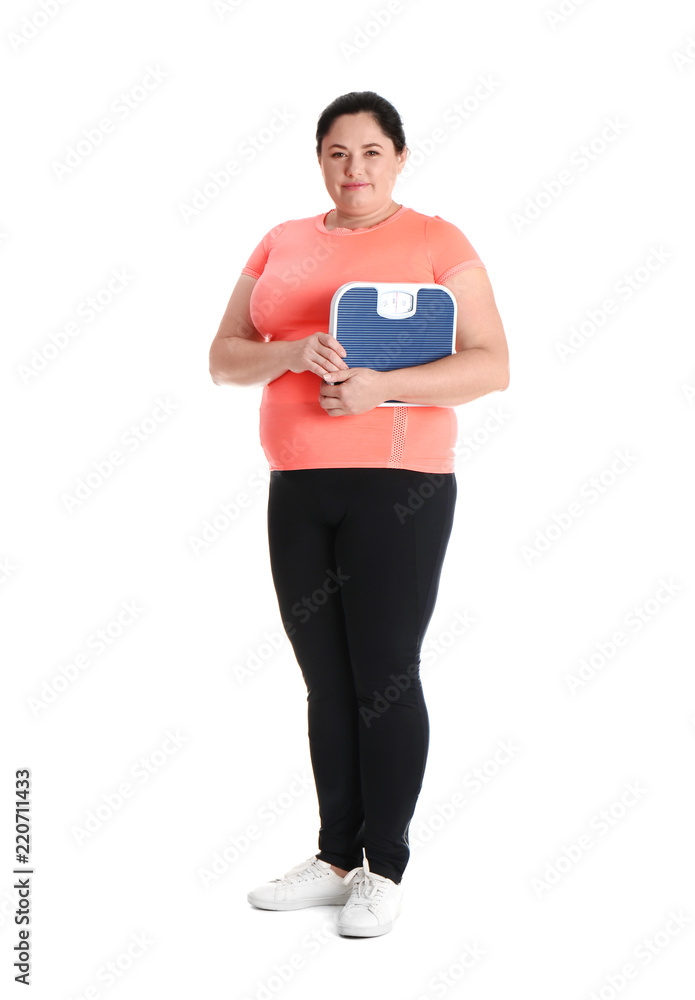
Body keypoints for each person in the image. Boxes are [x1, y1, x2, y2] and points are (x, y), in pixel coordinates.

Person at [208, 91, 509, 938]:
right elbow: (223, 359)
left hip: (397, 484)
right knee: (325, 682)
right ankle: (336, 857)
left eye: (372, 152)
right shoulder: (280, 241)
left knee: (384, 677)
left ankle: (387, 865)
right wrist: (290, 352)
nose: (355, 169)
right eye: (338, 153)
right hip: (297, 487)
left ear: (400, 158)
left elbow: (492, 365)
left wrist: (382, 387)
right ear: (319, 159)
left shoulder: (438, 241)